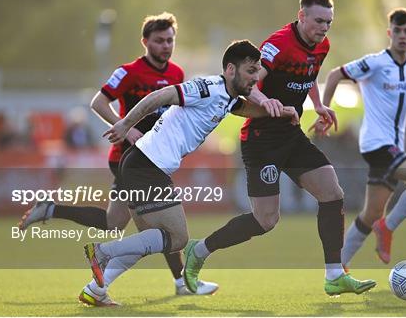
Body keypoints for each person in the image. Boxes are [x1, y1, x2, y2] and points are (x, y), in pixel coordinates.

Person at [182, 0, 376, 296]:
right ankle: (200, 250)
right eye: (318, 21)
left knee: (332, 193)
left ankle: (334, 274)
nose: (324, 28)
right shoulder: (277, 44)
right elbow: (250, 81)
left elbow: (309, 75)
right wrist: (264, 101)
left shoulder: (321, 45)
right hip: (261, 139)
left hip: (291, 133)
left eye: (328, 22)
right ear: (301, 16)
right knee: (266, 220)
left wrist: (320, 105)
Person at [17, 12, 218, 305]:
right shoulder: (129, 71)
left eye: (170, 40)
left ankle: (51, 212)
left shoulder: (176, 73)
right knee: (159, 228)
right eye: (159, 40)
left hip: (154, 159)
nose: (166, 46)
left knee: (118, 223)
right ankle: (166, 282)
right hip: (128, 158)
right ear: (145, 41)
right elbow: (98, 101)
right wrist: (127, 128)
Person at [82, 40, 300, 304]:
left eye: (257, 71)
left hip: (142, 163)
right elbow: (158, 97)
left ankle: (96, 290)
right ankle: (103, 252)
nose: (256, 78)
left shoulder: (229, 98)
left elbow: (249, 109)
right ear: (231, 70)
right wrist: (126, 124)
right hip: (147, 165)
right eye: (251, 70)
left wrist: (280, 111)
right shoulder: (208, 87)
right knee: (177, 238)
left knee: (151, 240)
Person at [314, 8, 406, 267]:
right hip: (376, 144)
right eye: (397, 31)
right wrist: (325, 111)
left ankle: (338, 268)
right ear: (389, 33)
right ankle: (388, 227)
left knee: (371, 214)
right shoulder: (375, 62)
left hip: (393, 148)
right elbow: (336, 74)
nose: (402, 36)